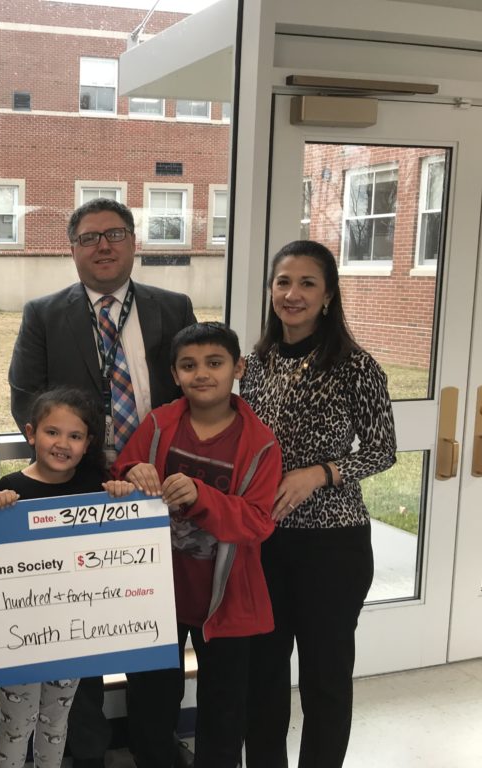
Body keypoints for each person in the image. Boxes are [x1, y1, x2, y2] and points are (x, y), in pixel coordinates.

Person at [8, 197, 196, 768]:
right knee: (78, 630)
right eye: (89, 238)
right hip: (81, 493)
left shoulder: (174, 306)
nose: (103, 246)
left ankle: (153, 749)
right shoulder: (43, 313)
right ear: (72, 250)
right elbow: (25, 399)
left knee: (155, 627)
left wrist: (157, 469)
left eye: (114, 234)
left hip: (158, 491)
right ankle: (82, 753)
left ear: (134, 242)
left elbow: (196, 394)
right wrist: (77, 462)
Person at [241, 240, 397, 768]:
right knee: (264, 675)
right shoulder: (255, 364)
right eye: (283, 282)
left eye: (308, 283)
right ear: (270, 291)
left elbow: (383, 450)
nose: (293, 293)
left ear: (328, 295)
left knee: (324, 678)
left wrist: (322, 473)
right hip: (264, 541)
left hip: (333, 545)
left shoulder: (355, 365)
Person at [112, 322, 282, 768]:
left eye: (214, 363)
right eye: (189, 365)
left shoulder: (260, 443)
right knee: (150, 703)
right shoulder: (158, 423)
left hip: (227, 605)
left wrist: (201, 497)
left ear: (238, 368)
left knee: (224, 714)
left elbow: (259, 522)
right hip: (157, 596)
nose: (202, 373)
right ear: (175, 373)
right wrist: (132, 472)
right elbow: (121, 474)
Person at [0, 387, 135, 768]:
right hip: (16, 634)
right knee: (16, 723)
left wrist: (120, 494)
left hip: (70, 634)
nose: (62, 444)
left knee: (56, 722)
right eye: (52, 432)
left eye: (75, 436)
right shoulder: (10, 490)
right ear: (30, 433)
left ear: (88, 444)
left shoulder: (96, 491)